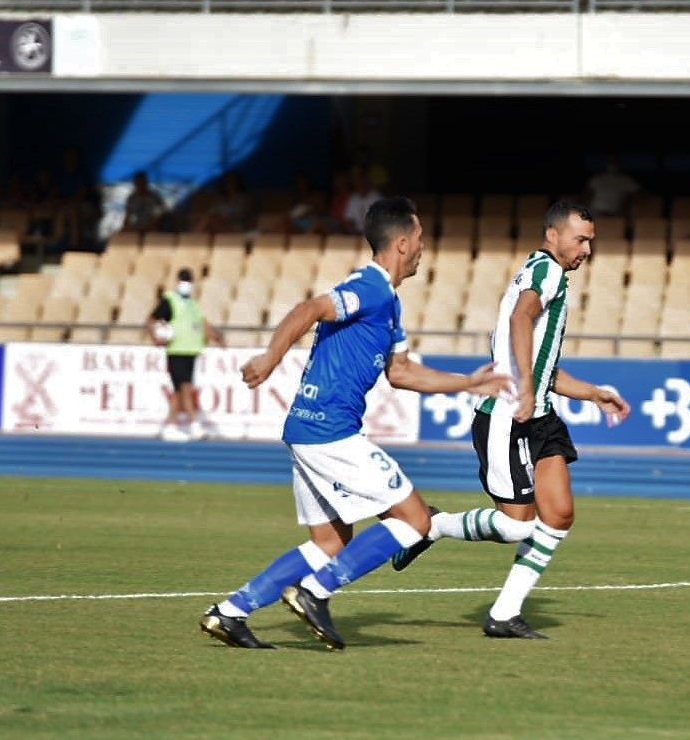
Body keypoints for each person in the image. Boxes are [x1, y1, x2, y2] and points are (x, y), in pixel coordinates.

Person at [198, 197, 513, 650]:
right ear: (403, 243)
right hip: (331, 430)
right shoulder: (371, 289)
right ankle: (315, 592)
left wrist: (466, 382)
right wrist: (270, 358)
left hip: (306, 429)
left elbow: (401, 372)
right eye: (421, 238)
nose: (424, 247)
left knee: (329, 542)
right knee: (415, 520)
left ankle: (231, 613)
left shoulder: (389, 305)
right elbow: (309, 309)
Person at [389, 201, 631, 640]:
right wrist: (522, 386)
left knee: (558, 515)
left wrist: (594, 393)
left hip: (539, 417)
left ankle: (504, 614)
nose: (587, 250)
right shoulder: (547, 272)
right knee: (516, 524)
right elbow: (523, 317)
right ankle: (434, 524)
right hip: (508, 416)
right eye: (581, 239)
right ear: (553, 235)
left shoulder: (544, 273)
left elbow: (545, 370)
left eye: (591, 241)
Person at [150, 268, 224, 442]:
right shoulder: (170, 300)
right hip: (176, 350)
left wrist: (216, 336)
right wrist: (155, 336)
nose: (187, 284)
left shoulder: (193, 304)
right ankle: (193, 423)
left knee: (177, 390)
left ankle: (170, 425)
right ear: (178, 282)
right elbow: (152, 319)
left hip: (190, 350)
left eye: (189, 280)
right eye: (184, 280)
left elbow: (202, 324)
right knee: (186, 386)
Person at [585, 154, 640, 218]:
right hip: (594, 212)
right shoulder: (596, 178)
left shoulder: (626, 180)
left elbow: (639, 195)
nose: (611, 165)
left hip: (615, 213)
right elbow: (586, 195)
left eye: (614, 162)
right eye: (609, 161)